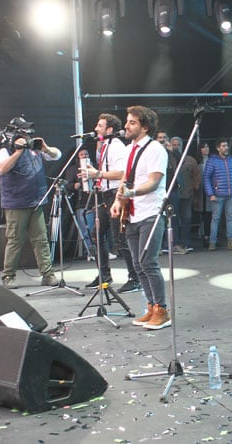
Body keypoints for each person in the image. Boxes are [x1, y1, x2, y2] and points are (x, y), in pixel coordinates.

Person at [110, 105, 171, 330]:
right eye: (127, 122)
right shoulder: (129, 150)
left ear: (144, 127)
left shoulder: (155, 149)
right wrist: (119, 200)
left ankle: (162, 310)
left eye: (132, 123)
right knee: (137, 264)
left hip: (151, 213)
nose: (126, 126)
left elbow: (154, 182)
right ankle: (151, 306)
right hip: (132, 215)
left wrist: (131, 193)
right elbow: (125, 179)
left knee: (148, 262)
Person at [0, 116, 61, 289]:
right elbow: (1, 169)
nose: (28, 133)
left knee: (41, 239)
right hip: (16, 203)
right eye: (23, 130)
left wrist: (45, 148)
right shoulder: (5, 151)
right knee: (15, 240)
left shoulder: (35, 149)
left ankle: (47, 274)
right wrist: (18, 152)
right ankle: (8, 276)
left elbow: (56, 155)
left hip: (36, 201)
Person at [80, 113, 140, 293]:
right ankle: (104, 274)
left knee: (121, 239)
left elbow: (122, 173)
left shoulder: (116, 147)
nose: (96, 129)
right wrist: (95, 174)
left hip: (116, 195)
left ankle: (135, 278)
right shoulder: (106, 146)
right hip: (106, 195)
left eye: (100, 126)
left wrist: (97, 174)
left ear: (110, 130)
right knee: (96, 234)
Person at [203, 140, 232, 251]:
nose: (226, 148)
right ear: (218, 148)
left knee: (229, 219)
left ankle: (230, 242)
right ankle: (212, 243)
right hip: (218, 194)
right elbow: (206, 178)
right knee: (216, 219)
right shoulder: (212, 161)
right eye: (223, 146)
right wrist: (210, 194)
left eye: (226, 145)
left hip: (231, 194)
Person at [171, 136, 199, 253]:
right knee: (174, 220)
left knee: (186, 219)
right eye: (174, 145)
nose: (176, 147)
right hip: (173, 194)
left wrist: (194, 189)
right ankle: (175, 243)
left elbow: (197, 177)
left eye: (178, 145)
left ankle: (186, 243)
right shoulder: (168, 159)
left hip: (187, 195)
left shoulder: (190, 160)